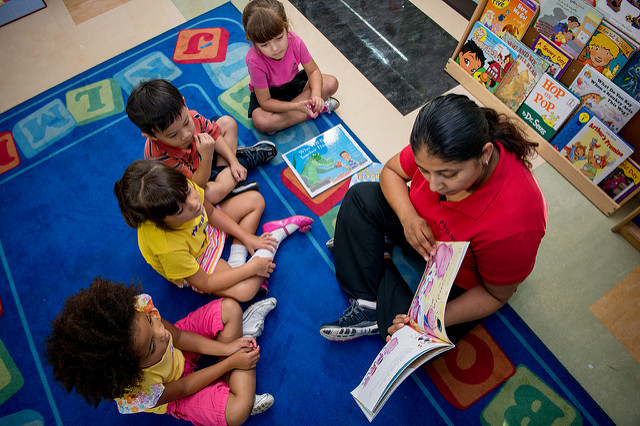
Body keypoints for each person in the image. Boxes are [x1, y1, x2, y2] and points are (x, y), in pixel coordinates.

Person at [320, 93, 547, 343]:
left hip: (454, 278)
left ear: (485, 154)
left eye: (447, 175)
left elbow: (495, 295)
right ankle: (369, 296)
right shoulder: (437, 144)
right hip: (420, 230)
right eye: (424, 170)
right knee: (360, 197)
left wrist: (426, 318)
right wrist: (407, 218)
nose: (434, 185)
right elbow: (392, 171)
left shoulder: (516, 221)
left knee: (400, 332)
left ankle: (378, 256)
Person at [45, 277, 277, 425]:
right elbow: (185, 387)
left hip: (181, 350)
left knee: (230, 308)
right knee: (238, 412)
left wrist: (226, 349)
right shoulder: (135, 393)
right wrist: (229, 362)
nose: (161, 333)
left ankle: (237, 373)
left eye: (150, 320)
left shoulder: (137, 313)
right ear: (128, 371)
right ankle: (246, 341)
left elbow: (177, 336)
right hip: (179, 392)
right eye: (152, 346)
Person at [114, 159, 313, 302]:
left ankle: (239, 257)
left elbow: (210, 212)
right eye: (181, 209)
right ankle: (276, 235)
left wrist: (247, 237)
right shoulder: (169, 248)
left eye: (189, 192)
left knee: (255, 200)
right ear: (161, 221)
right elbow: (206, 282)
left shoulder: (178, 189)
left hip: (205, 230)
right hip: (198, 259)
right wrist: (250, 269)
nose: (194, 203)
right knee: (245, 291)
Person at [126, 79, 278, 205]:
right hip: (194, 177)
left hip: (204, 155)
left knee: (227, 123)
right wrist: (207, 156)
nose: (186, 135)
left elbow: (215, 134)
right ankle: (243, 162)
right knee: (208, 196)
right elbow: (197, 185)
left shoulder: (193, 116)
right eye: (173, 135)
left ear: (184, 104)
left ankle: (232, 172)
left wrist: (233, 162)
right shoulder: (159, 156)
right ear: (152, 137)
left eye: (186, 122)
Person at [242, 0, 340, 134]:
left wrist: (316, 94)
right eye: (264, 45)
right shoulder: (254, 60)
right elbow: (265, 102)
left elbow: (313, 71)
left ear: (286, 25)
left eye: (279, 38)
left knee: (331, 83)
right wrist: (296, 106)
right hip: (271, 95)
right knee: (261, 121)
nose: (275, 48)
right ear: (250, 40)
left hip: (294, 85)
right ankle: (312, 109)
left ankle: (283, 120)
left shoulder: (296, 42)